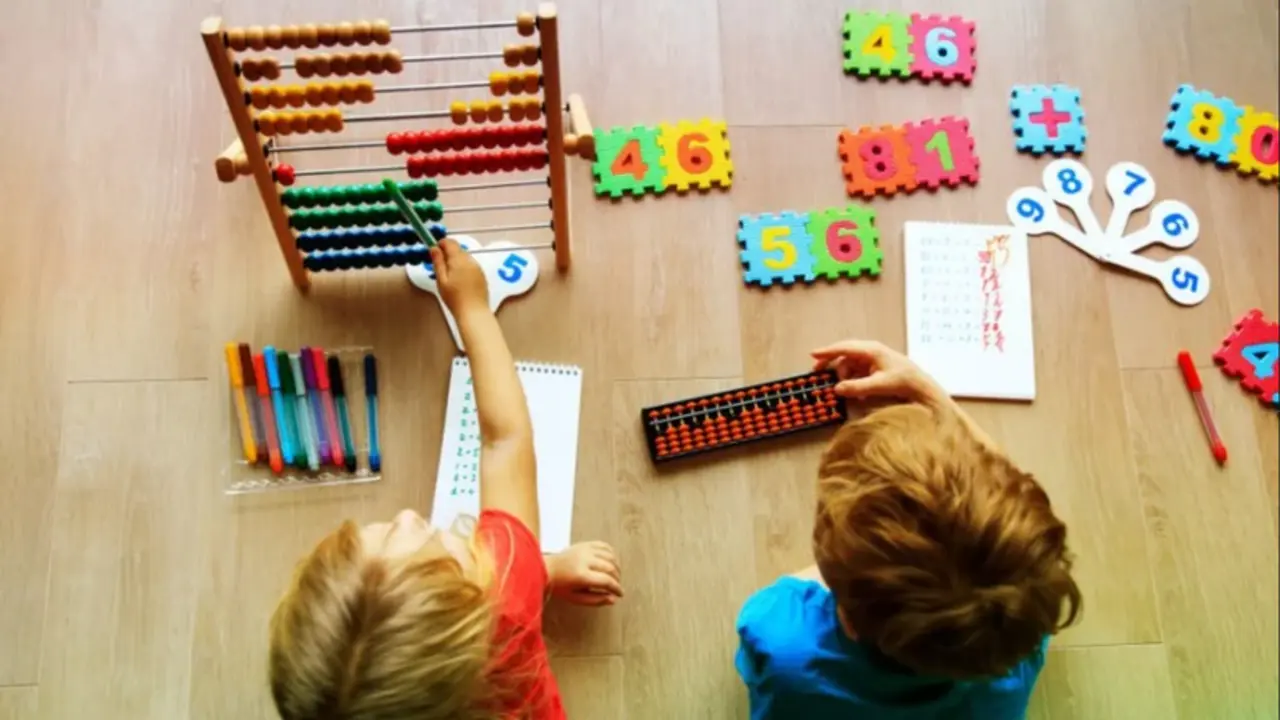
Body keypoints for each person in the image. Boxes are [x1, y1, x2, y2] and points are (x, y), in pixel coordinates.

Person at [268, 239, 623, 720]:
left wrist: (545, 570)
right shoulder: (504, 597)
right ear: (477, 609)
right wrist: (473, 309)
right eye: (433, 540)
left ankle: (549, 570)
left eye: (386, 528)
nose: (412, 514)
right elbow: (506, 438)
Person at [735, 339, 1082, 719]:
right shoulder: (1016, 634)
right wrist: (930, 394)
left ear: (849, 621)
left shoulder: (782, 640)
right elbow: (1017, 517)